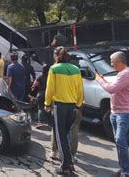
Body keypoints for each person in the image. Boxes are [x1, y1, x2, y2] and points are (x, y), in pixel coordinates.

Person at [95, 51, 129, 177]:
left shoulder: (126, 73)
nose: (111, 65)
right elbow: (113, 87)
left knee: (120, 139)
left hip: (124, 112)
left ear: (119, 62)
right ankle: (123, 168)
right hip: (115, 112)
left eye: (112, 62)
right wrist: (103, 80)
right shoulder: (121, 73)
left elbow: (111, 89)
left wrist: (99, 80)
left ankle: (126, 171)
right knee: (118, 141)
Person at [45, 46, 83, 175]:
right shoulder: (76, 69)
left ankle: (65, 166)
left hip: (59, 106)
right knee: (65, 135)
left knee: (60, 136)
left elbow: (50, 89)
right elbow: (80, 90)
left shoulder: (54, 68)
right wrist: (78, 106)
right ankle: (69, 163)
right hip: (73, 107)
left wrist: (47, 104)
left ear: (57, 57)